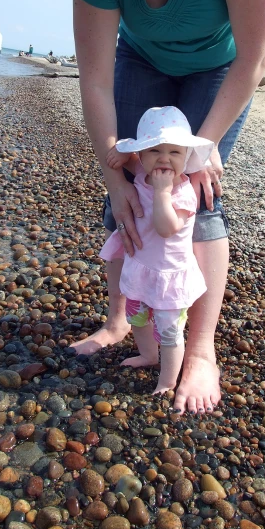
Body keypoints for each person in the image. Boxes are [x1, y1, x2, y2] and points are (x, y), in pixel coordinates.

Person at [7, 0, 265, 414]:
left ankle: (200, 350)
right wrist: (114, 167)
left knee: (196, 195)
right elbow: (96, 82)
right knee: (127, 192)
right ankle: (119, 321)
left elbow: (257, 52)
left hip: (220, 67)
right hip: (140, 61)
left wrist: (201, 148)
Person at [100, 107, 213, 395]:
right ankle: (148, 355)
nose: (164, 159)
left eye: (174, 152)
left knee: (170, 333)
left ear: (186, 157)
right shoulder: (144, 172)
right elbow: (135, 162)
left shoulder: (184, 192)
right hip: (141, 268)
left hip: (169, 278)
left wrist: (163, 193)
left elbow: (167, 227)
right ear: (144, 155)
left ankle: (167, 381)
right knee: (135, 317)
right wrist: (126, 155)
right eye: (155, 151)